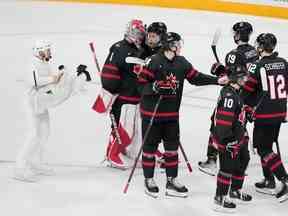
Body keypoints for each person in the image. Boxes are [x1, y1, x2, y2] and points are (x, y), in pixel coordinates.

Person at [138, 32, 228, 198]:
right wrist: (154, 88)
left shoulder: (181, 62)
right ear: (170, 45)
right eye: (177, 44)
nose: (180, 46)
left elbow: (196, 78)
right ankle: (149, 179)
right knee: (150, 149)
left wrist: (217, 81)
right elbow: (140, 86)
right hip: (152, 114)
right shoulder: (153, 61)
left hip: (171, 115)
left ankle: (171, 181)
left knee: (172, 149)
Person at [14, 40, 91, 182]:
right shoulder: (32, 64)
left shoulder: (44, 64)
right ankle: (19, 168)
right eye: (47, 50)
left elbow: (51, 83)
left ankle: (35, 162)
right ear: (39, 51)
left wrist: (66, 77)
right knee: (33, 135)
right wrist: (53, 78)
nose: (49, 53)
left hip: (41, 102)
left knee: (44, 133)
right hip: (32, 103)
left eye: (49, 50)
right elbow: (34, 81)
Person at [198, 21, 258, 176]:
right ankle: (239, 161)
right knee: (239, 126)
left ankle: (212, 161)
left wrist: (218, 71)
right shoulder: (254, 52)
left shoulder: (233, 54)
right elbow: (244, 74)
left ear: (238, 35)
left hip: (232, 95)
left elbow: (229, 78)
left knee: (217, 123)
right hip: (247, 96)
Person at [241, 33, 288, 203]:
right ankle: (269, 180)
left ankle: (284, 179)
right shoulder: (283, 62)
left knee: (263, 148)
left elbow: (247, 90)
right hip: (280, 112)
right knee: (266, 145)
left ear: (261, 47)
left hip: (264, 113)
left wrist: (238, 98)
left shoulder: (258, 65)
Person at [94, 19, 146, 169]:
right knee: (124, 130)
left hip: (134, 96)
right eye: (136, 33)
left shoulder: (135, 48)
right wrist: (111, 91)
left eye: (140, 33)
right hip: (125, 97)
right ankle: (112, 154)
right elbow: (110, 76)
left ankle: (123, 151)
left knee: (133, 131)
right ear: (129, 31)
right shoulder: (121, 48)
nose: (139, 36)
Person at [211, 66, 251, 212]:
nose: (245, 79)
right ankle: (219, 197)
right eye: (242, 77)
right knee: (227, 168)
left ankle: (235, 190)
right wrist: (227, 141)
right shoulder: (229, 96)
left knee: (243, 160)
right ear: (235, 78)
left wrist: (246, 113)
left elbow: (235, 114)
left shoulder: (235, 92)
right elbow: (223, 122)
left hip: (238, 136)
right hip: (228, 139)